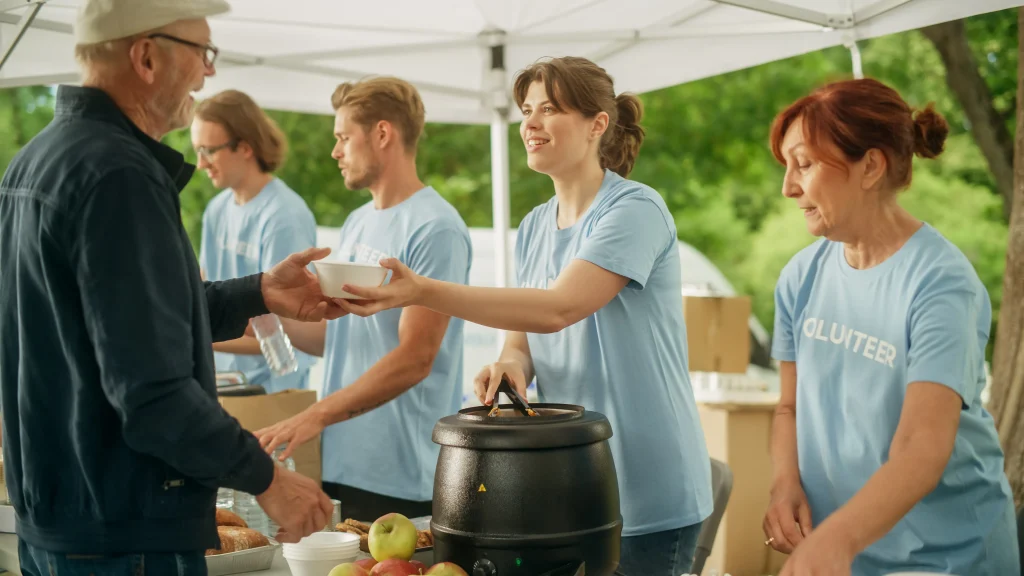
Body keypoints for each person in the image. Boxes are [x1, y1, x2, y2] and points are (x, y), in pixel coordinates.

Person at [331, 56, 713, 576]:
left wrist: (419, 290)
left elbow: (558, 308)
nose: (529, 125)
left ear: (597, 124)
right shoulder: (535, 225)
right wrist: (509, 365)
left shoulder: (634, 211)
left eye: (549, 110)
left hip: (646, 487)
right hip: (567, 484)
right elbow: (523, 339)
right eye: (526, 110)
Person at [0, 1, 337, 574]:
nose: (209, 72)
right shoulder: (118, 175)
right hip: (123, 532)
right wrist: (268, 479)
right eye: (202, 52)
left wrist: (260, 292)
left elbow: (124, 325)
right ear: (147, 56)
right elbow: (150, 391)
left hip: (68, 519)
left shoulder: (36, 160)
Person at [760, 78, 1019, 576]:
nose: (788, 186)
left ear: (871, 167)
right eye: (788, 167)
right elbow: (789, 407)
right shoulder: (800, 276)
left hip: (947, 559)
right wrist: (784, 482)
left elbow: (922, 445)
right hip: (851, 554)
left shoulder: (942, 285)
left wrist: (835, 539)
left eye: (805, 164)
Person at [255, 76, 472, 522]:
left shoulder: (436, 227)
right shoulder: (356, 222)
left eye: (343, 138)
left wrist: (315, 415)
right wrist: (259, 312)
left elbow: (416, 357)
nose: (335, 151)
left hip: (402, 475)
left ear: (382, 134)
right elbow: (335, 339)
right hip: (340, 460)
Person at [193, 89, 318, 393]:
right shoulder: (217, 209)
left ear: (245, 148)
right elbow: (205, 290)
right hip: (225, 385)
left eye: (208, 150)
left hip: (272, 392)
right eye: (197, 150)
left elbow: (285, 330)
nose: (200, 163)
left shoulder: (283, 216)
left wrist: (191, 335)